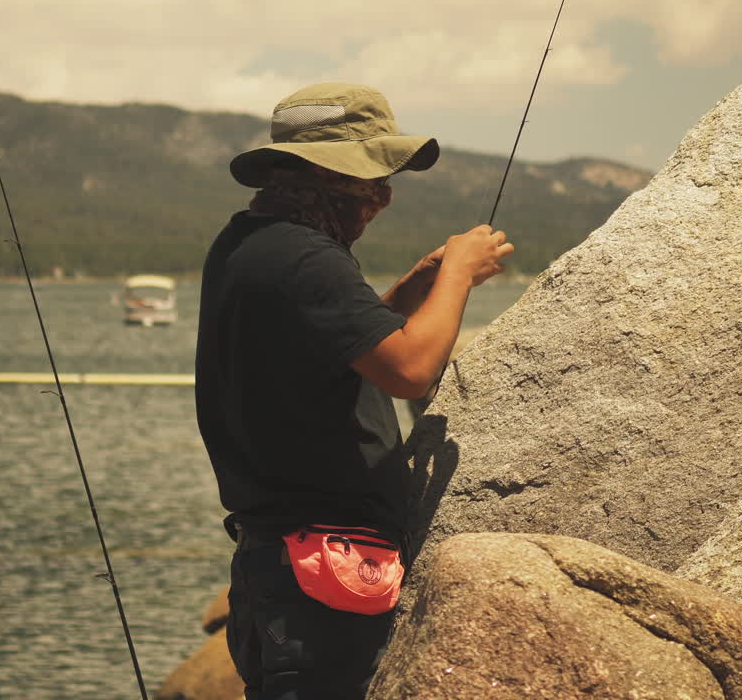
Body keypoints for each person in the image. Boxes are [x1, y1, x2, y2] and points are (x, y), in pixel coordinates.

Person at [194, 83, 514, 699]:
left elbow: (347, 348)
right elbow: (409, 370)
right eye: (372, 181)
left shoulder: (250, 241)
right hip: (320, 580)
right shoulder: (305, 257)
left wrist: (420, 284)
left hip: (280, 568)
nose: (382, 198)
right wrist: (457, 274)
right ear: (326, 176)